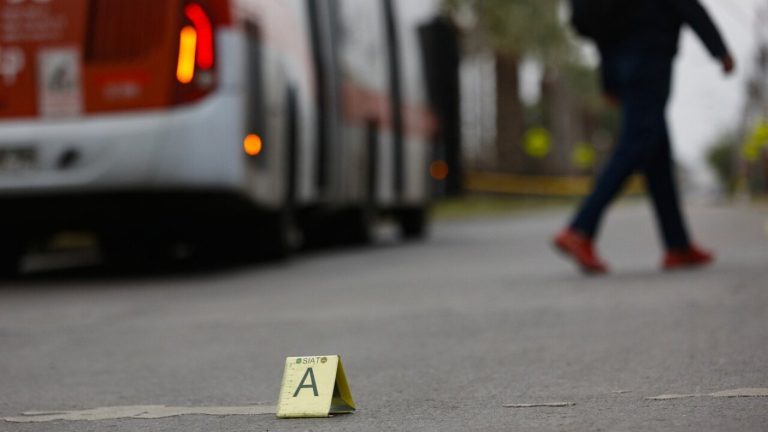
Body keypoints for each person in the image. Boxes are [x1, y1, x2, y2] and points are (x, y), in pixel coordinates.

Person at [555, 0, 735, 274]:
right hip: (651, 60)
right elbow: (687, 5)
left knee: (657, 155)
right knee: (634, 145)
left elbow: (604, 32)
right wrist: (719, 50)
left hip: (622, 66)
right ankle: (580, 229)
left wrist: (608, 80)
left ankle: (677, 245)